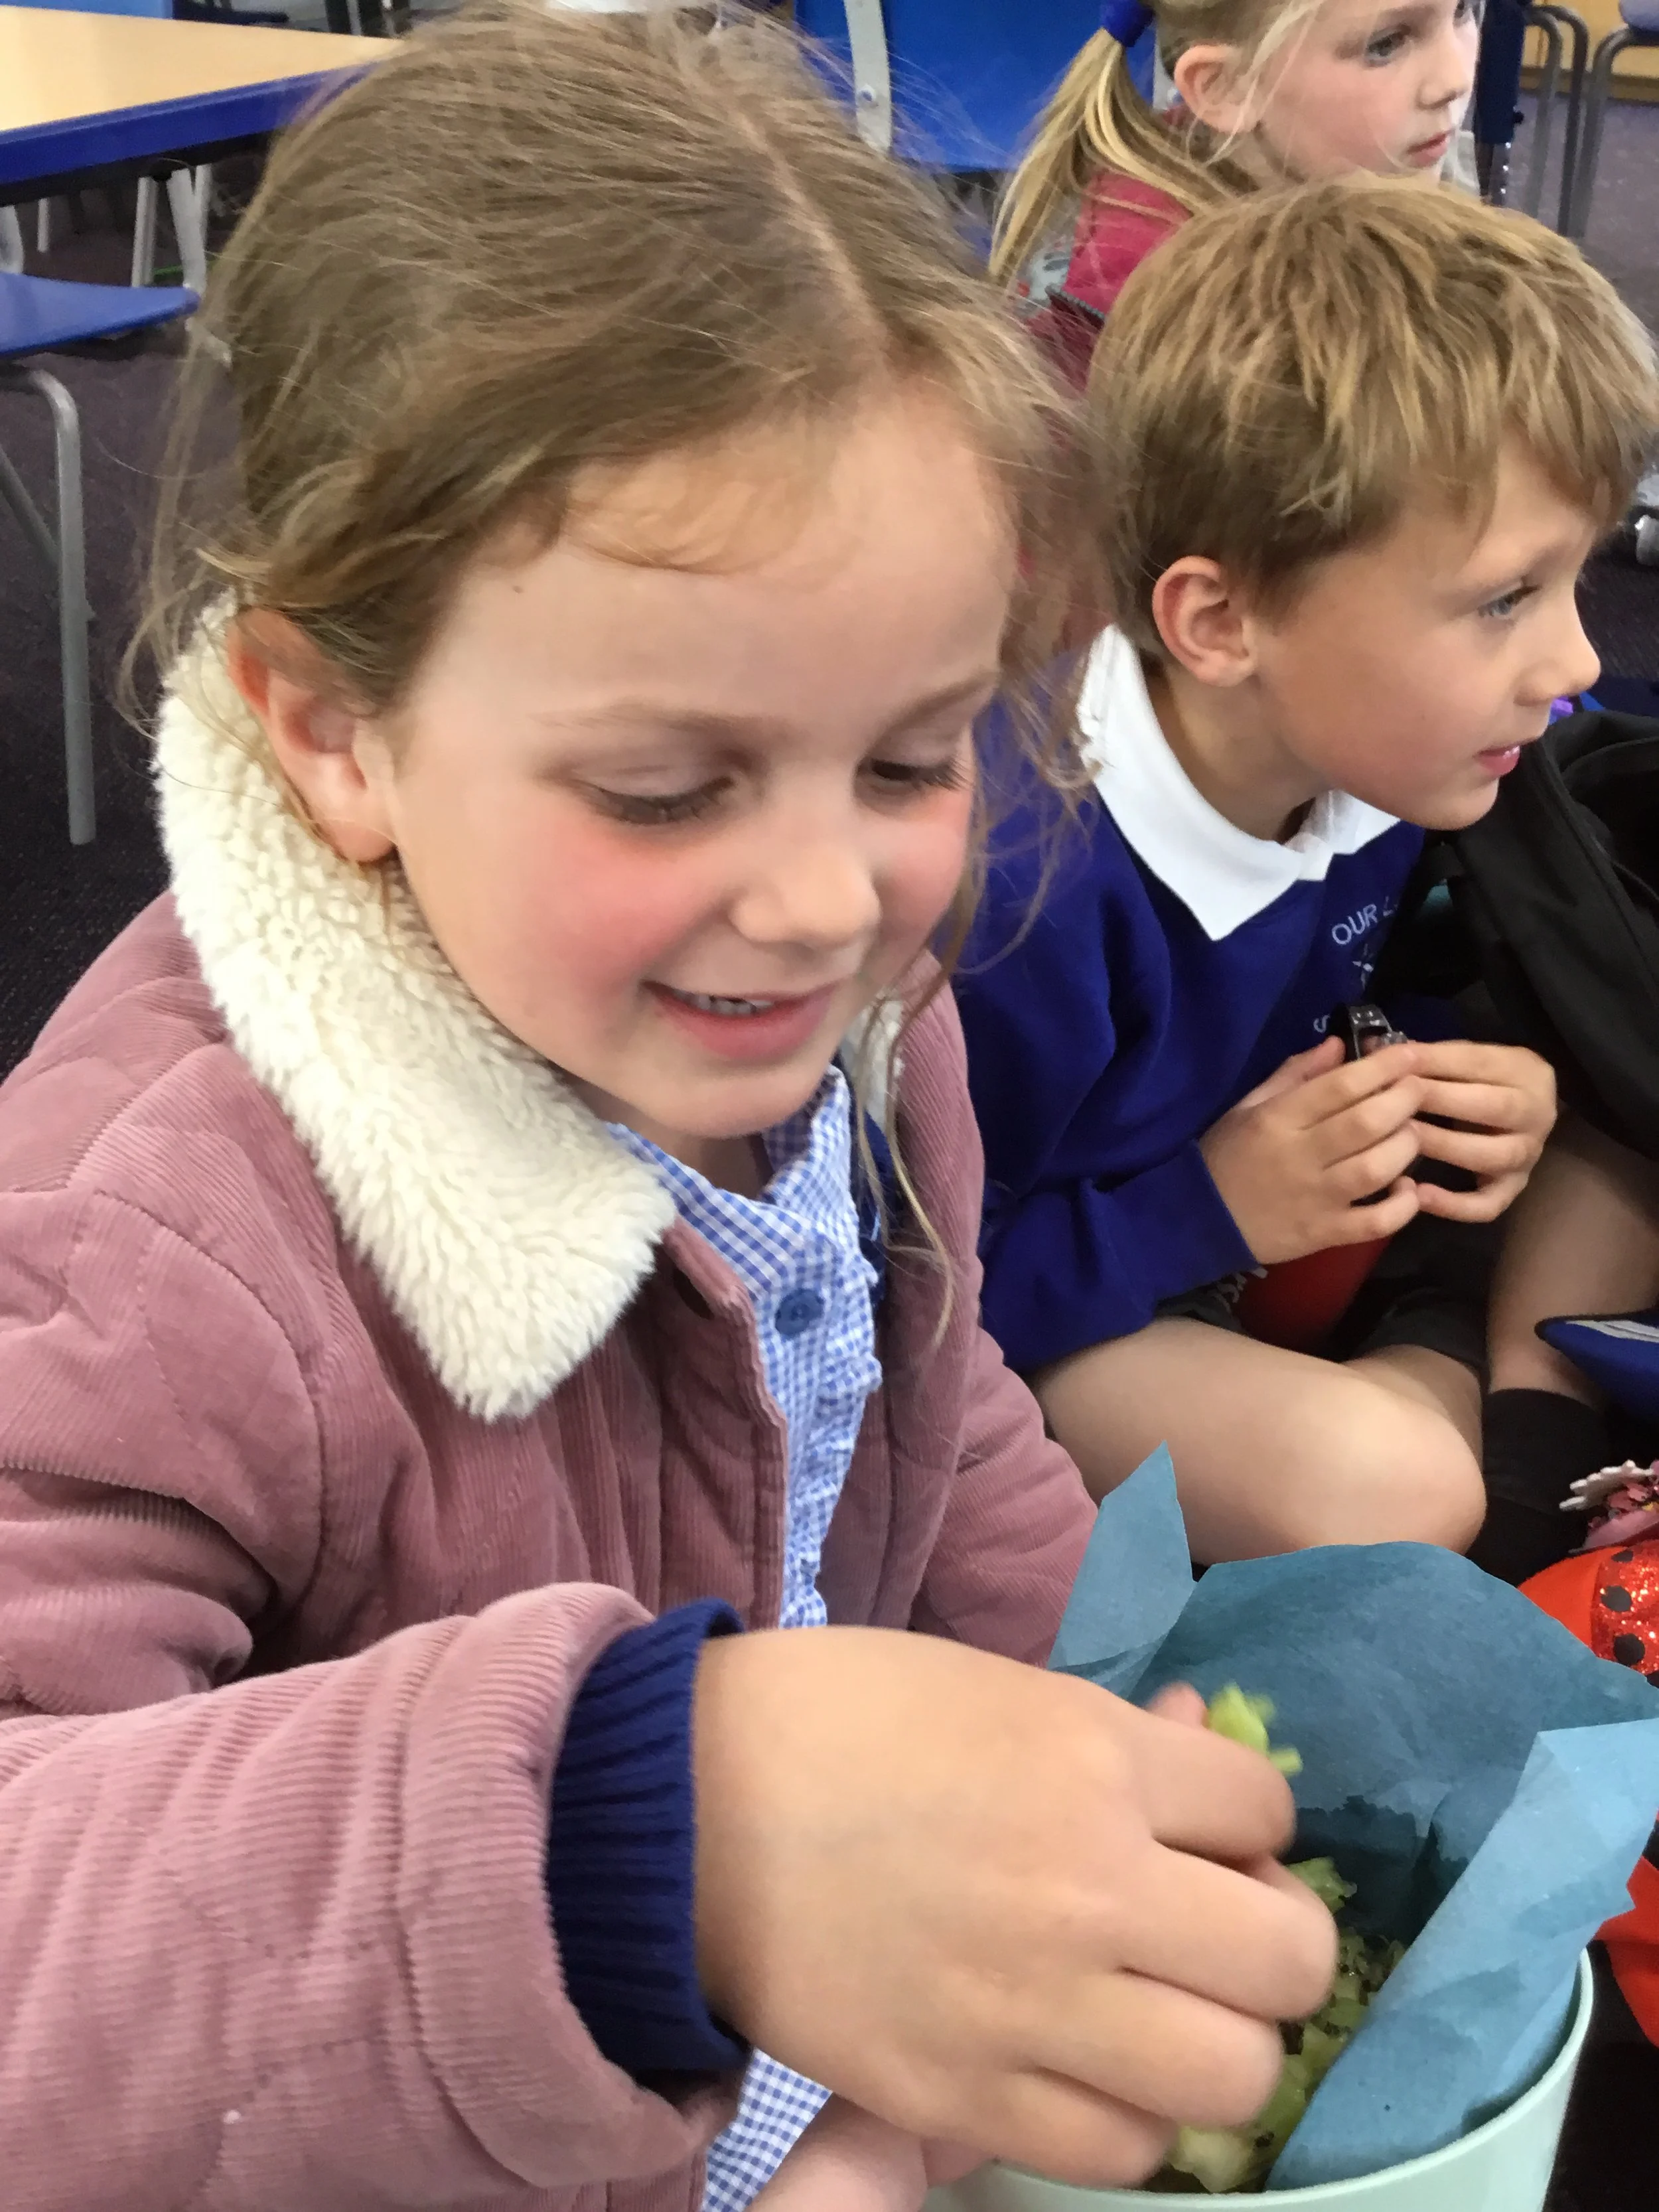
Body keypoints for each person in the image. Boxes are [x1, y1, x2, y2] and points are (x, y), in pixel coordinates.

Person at [0, 10, 1336, 2212]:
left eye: (909, 756)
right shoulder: (154, 1234)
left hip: (775, 2058)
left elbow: (931, 1416)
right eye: (661, 785)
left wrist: (1089, 1723)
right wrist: (635, 1834)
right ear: (334, 732)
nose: (827, 899)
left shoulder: (861, 1025)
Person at [953, 178, 1659, 1567]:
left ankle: (1499, 1424)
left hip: (1264, 1231)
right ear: (1220, 623)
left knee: (1614, 1086)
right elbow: (903, 1299)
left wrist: (1473, 1085)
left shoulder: (1376, 757)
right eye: (1503, 599)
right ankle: (1512, 1442)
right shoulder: (1017, 892)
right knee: (1392, 1486)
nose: (1578, 659)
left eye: (1577, 581)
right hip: (1057, 1309)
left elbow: (1350, 1002)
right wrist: (1203, 1209)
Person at [993, 0, 1479, 382]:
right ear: (1226, 88)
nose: (1454, 79)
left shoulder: (1396, 163)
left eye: (1462, 9)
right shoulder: (1173, 339)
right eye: (1386, 44)